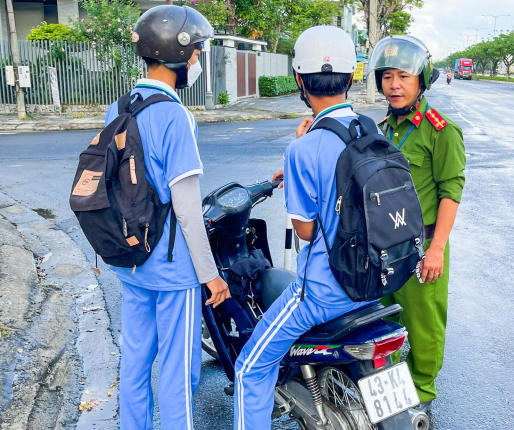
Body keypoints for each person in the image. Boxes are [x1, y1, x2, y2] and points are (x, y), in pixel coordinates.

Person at [233, 26, 372, 430]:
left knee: (249, 368)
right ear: (351, 76)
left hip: (325, 293)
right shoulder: (371, 131)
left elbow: (306, 231)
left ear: (298, 79)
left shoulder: (303, 149)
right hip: (375, 281)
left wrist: (299, 155)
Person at [103, 6, 229, 429]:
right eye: (195, 53)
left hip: (131, 259)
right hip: (174, 271)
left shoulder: (118, 107)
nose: (196, 60)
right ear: (179, 55)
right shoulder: (176, 116)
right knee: (179, 373)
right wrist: (211, 275)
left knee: (136, 362)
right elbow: (188, 210)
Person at [369, 35, 466, 416]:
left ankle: (420, 393)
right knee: (380, 321)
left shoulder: (441, 131)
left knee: (423, 326)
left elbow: (450, 192)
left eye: (403, 76)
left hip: (420, 245)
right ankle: (387, 391)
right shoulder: (380, 129)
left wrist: (437, 248)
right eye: (387, 76)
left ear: (421, 80)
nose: (394, 85)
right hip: (382, 246)